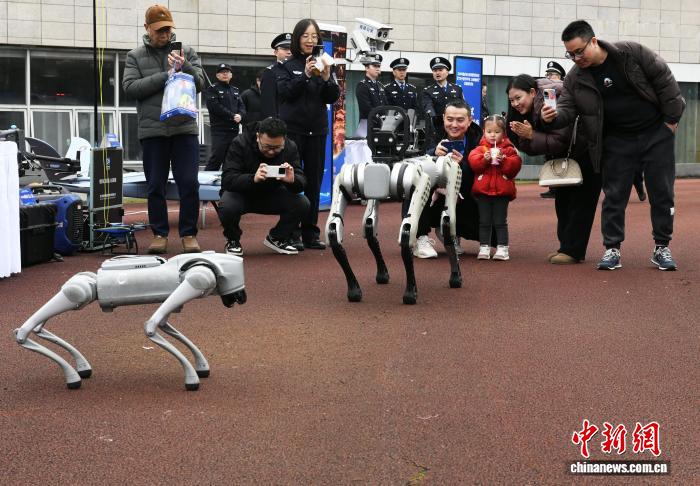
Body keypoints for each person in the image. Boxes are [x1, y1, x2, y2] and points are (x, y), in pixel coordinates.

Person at [541, 20, 685, 271]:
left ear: (593, 41)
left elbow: (665, 82)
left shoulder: (632, 53)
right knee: (614, 196)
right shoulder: (575, 77)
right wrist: (552, 117)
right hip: (616, 140)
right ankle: (612, 249)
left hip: (655, 133)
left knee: (662, 192)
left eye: (579, 51)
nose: (576, 58)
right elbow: (567, 109)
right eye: (570, 54)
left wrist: (671, 121)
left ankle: (662, 246)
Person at [122, 4, 205, 254]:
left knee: (189, 183)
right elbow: (130, 88)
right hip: (153, 131)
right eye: (159, 30)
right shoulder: (134, 56)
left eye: (168, 29)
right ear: (147, 28)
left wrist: (184, 67)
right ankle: (159, 234)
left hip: (184, 128)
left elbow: (201, 83)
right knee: (155, 185)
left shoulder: (186, 52)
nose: (164, 34)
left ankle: (188, 234)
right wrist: (166, 75)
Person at [507, 73, 601, 265]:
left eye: (518, 98)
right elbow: (530, 147)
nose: (515, 104)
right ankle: (565, 248)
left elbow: (559, 140)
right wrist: (526, 136)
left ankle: (572, 251)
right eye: (511, 100)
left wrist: (532, 135)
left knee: (581, 204)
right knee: (563, 202)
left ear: (532, 92)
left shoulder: (553, 98)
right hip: (564, 157)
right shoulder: (522, 112)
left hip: (588, 152)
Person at [277, 18, 340, 250]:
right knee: (292, 181)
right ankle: (291, 231)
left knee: (314, 182)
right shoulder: (286, 65)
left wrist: (326, 78)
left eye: (314, 36)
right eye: (305, 36)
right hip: (293, 131)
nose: (310, 40)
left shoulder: (324, 63)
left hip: (317, 131)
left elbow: (332, 96)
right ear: (297, 38)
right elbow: (286, 93)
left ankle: (310, 232)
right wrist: (304, 75)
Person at [218, 117, 310, 256]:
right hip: (242, 194)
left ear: (284, 140)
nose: (271, 152)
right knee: (227, 205)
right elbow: (227, 179)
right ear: (258, 137)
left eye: (277, 148)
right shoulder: (240, 143)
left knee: (302, 203)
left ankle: (277, 237)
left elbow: (301, 180)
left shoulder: (290, 147)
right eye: (267, 147)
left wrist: (293, 180)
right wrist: (253, 178)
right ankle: (233, 240)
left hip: (272, 194)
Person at [412, 99, 483, 258]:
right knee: (416, 182)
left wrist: (462, 165)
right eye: (450, 119)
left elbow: (479, 174)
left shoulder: (478, 138)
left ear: (470, 121)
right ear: (443, 117)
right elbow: (415, 160)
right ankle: (420, 237)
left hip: (463, 196)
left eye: (460, 120)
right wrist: (433, 154)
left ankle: (451, 233)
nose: (454, 125)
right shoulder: (431, 131)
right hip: (433, 194)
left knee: (492, 234)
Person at [468, 115, 522, 261]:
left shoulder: (509, 150)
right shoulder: (479, 149)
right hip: (483, 192)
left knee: (500, 221)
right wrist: (484, 160)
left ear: (503, 133)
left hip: (502, 192)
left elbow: (514, 167)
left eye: (497, 132)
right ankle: (484, 247)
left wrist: (504, 159)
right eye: (489, 131)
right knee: (484, 221)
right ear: (484, 132)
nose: (492, 135)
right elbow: (473, 163)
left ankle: (503, 247)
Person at [204, 63, 246, 171]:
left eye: (227, 72)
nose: (225, 74)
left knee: (231, 160)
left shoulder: (235, 90)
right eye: (222, 72)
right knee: (217, 157)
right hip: (220, 130)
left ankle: (227, 179)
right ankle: (206, 180)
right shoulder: (212, 89)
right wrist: (232, 116)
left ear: (231, 75)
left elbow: (241, 106)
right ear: (217, 75)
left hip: (233, 130)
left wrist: (240, 115)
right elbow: (215, 107)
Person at [539, 60, 568, 199]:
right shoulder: (547, 91)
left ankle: (559, 187)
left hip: (561, 128)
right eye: (548, 74)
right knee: (549, 156)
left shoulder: (565, 90)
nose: (549, 77)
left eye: (552, 74)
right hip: (548, 127)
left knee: (559, 156)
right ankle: (552, 186)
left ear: (560, 76)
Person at [422, 57, 464, 145]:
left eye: (440, 70)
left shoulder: (457, 89)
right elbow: (428, 108)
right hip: (437, 130)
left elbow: (463, 107)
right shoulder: (428, 91)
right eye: (435, 70)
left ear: (447, 72)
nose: (437, 73)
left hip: (455, 128)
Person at [260, 33, 292, 118]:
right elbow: (268, 104)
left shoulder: (300, 70)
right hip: (280, 121)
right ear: (276, 52)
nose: (289, 52)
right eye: (285, 49)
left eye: (291, 48)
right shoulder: (270, 72)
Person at [355, 53, 386, 138]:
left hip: (381, 125)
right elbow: (366, 108)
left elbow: (385, 105)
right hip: (367, 124)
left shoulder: (380, 85)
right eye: (374, 66)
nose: (377, 68)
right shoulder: (362, 85)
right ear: (366, 68)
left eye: (378, 66)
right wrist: (379, 118)